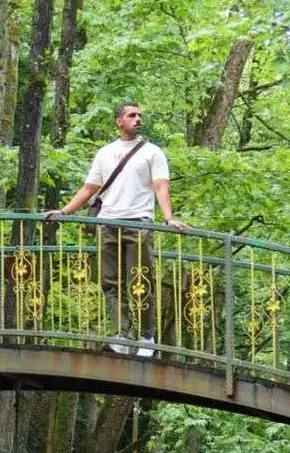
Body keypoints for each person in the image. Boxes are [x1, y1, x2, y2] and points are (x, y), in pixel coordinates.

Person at [46, 102, 189, 355]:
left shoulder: (152, 152)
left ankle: (146, 338)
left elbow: (161, 187)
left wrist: (168, 218)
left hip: (139, 223)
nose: (138, 119)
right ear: (119, 121)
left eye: (140, 115)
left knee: (140, 281)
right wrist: (65, 211)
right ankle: (120, 335)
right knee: (109, 282)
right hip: (107, 223)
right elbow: (89, 188)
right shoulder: (105, 153)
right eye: (132, 115)